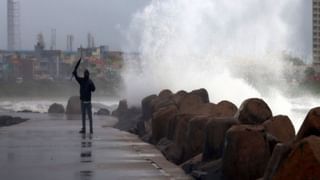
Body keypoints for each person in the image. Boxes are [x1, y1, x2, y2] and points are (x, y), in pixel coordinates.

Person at [73, 58, 96, 134]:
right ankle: (84, 129)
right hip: (83, 101)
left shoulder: (90, 82)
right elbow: (76, 77)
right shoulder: (82, 80)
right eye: (85, 73)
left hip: (88, 102)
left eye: (86, 74)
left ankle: (91, 130)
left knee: (89, 117)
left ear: (88, 75)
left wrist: (91, 85)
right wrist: (75, 73)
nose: (85, 75)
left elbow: (93, 89)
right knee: (83, 116)